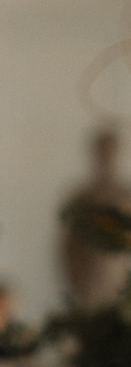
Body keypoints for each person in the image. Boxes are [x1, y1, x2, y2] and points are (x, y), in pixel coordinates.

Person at [60, 127, 131, 309]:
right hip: (89, 278)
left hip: (119, 276)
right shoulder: (83, 196)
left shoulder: (125, 194)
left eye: (110, 152)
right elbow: (70, 245)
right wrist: (76, 278)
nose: (107, 158)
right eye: (103, 151)